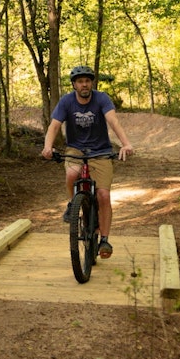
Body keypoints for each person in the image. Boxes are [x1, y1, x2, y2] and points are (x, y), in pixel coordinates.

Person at [42, 65, 134, 259]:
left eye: (87, 81)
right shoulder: (66, 101)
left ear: (91, 83)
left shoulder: (101, 98)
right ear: (74, 85)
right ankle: (72, 204)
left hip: (101, 151)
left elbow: (113, 121)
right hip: (75, 149)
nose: (84, 84)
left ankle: (104, 239)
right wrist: (48, 147)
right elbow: (55, 125)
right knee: (72, 174)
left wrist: (126, 144)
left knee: (103, 195)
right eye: (80, 81)